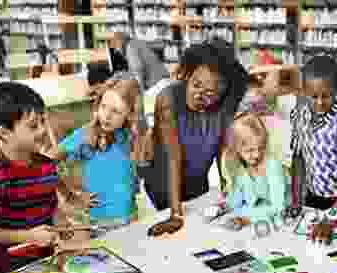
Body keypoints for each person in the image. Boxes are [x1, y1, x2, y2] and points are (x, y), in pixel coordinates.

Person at [0, 82, 86, 273]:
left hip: (44, 261)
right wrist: (28, 236)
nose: (42, 130)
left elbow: (49, 204)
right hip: (6, 270)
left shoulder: (46, 165)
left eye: (43, 121)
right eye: (33, 125)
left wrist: (60, 222)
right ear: (4, 132)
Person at [144, 39, 251, 236]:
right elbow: (173, 157)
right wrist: (175, 214)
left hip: (197, 187)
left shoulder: (226, 106)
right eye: (196, 84)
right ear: (188, 74)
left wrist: (229, 191)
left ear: (222, 94)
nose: (199, 96)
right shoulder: (168, 100)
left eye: (210, 93)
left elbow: (222, 151)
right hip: (163, 188)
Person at [45, 78, 148, 237]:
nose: (106, 115)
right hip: (98, 223)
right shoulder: (85, 134)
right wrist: (71, 196)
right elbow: (45, 163)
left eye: (116, 111)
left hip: (131, 218)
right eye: (103, 107)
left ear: (129, 114)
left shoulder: (130, 135)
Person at [290, 55, 337, 245]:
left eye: (327, 96)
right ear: (303, 91)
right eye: (313, 96)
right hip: (313, 199)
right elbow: (298, 158)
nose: (319, 103)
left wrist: (330, 218)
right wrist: (296, 199)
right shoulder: (299, 115)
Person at [218, 112, 287, 228]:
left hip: (274, 217)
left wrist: (247, 219)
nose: (256, 155)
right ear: (237, 149)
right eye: (249, 150)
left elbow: (279, 206)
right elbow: (237, 198)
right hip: (254, 214)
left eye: (260, 148)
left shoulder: (272, 166)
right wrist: (224, 206)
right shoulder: (241, 168)